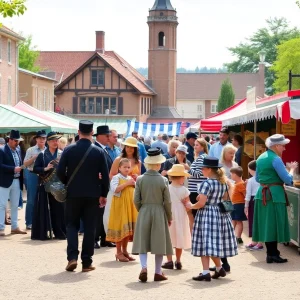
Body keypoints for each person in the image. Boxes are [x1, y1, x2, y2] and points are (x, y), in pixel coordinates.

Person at [57, 120, 110, 272]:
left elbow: (60, 171)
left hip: (73, 193)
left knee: (71, 225)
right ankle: (86, 262)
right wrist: (103, 194)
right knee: (89, 228)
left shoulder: (68, 149)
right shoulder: (98, 151)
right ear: (92, 132)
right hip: (93, 194)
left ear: (78, 132)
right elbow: (105, 176)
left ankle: (72, 257)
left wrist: (67, 183)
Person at [182, 157, 238, 281]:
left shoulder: (206, 183)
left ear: (209, 169)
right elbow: (223, 198)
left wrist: (191, 205)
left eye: (203, 168)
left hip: (207, 214)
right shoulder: (223, 183)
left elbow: (201, 203)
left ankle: (206, 271)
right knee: (211, 243)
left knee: (204, 243)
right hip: (219, 214)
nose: (201, 170)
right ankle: (218, 268)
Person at [252, 134, 298, 264]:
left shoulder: (261, 157)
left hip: (262, 194)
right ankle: (273, 254)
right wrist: (292, 169)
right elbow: (288, 180)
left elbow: (257, 178)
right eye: (283, 145)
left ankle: (271, 253)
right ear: (276, 146)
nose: (284, 148)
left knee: (267, 224)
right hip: (274, 194)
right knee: (274, 223)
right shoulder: (276, 159)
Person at [132, 148, 173, 282]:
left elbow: (136, 200)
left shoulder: (140, 179)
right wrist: (169, 216)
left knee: (143, 241)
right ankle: (157, 272)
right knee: (159, 242)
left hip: (144, 210)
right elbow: (167, 201)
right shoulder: (163, 180)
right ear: (158, 164)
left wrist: (142, 209)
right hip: (159, 211)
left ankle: (144, 267)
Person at [32, 132, 66, 240]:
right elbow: (35, 169)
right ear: (48, 142)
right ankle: (44, 233)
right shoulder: (42, 154)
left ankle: (60, 232)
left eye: (56, 140)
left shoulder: (62, 153)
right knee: (44, 210)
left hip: (59, 186)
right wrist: (45, 169)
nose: (55, 142)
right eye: (52, 140)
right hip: (45, 185)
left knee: (59, 210)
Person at [106, 158, 138, 262]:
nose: (127, 169)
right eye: (124, 167)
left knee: (127, 231)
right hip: (120, 207)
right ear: (119, 168)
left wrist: (134, 183)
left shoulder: (130, 178)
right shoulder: (116, 177)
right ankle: (118, 252)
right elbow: (114, 189)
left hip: (129, 206)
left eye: (128, 167)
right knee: (120, 228)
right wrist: (127, 183)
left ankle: (125, 251)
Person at [161, 164, 191, 270]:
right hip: (181, 215)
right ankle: (178, 261)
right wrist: (185, 204)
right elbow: (188, 207)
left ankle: (169, 260)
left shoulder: (166, 188)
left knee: (169, 237)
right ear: (180, 178)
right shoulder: (184, 190)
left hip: (169, 214)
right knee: (179, 237)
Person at [0, 130, 26, 236]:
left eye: (18, 141)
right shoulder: (2, 150)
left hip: (16, 180)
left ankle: (14, 227)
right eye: (16, 141)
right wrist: (13, 169)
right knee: (2, 205)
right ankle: (1, 228)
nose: (17, 143)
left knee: (15, 205)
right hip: (5, 181)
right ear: (9, 140)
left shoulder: (18, 149)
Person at [94, 125, 115, 249]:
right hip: (98, 186)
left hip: (105, 186)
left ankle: (104, 238)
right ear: (99, 136)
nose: (109, 138)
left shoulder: (104, 149)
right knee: (98, 214)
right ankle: (95, 238)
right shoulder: (96, 148)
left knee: (105, 213)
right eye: (107, 135)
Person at [23, 130, 47, 230]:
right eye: (40, 138)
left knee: (44, 199)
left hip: (44, 175)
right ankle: (29, 222)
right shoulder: (30, 150)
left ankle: (43, 222)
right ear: (36, 139)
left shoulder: (48, 150)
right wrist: (34, 158)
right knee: (31, 199)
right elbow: (25, 164)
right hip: (32, 174)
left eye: (44, 138)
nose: (42, 140)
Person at [187, 138, 209, 228]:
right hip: (195, 189)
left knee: (195, 213)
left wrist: (188, 169)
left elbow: (200, 174)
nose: (195, 147)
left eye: (197, 145)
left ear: (203, 147)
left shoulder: (201, 158)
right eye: (194, 145)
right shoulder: (200, 157)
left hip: (195, 190)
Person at [244, 160, 263, 250]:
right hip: (262, 200)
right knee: (260, 221)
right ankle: (260, 242)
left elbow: (248, 194)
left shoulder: (251, 180)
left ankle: (254, 241)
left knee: (252, 221)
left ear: (252, 170)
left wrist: (246, 206)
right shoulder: (263, 178)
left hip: (253, 201)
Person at [230, 166, 247, 244]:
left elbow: (245, 194)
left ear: (235, 174)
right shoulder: (238, 184)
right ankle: (231, 235)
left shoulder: (240, 184)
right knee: (234, 220)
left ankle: (238, 237)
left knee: (238, 221)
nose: (231, 175)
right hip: (235, 205)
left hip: (239, 205)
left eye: (231, 174)